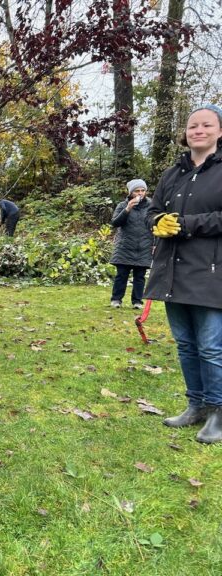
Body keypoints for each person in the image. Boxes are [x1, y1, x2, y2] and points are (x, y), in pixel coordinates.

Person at [145, 104, 222, 444]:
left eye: (207, 125)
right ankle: (196, 405)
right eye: (193, 126)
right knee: (186, 345)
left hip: (210, 270)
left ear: (219, 131)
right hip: (171, 270)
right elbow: (154, 210)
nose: (199, 131)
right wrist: (156, 222)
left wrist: (188, 224)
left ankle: (218, 410)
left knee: (210, 347)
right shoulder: (172, 173)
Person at [109, 179, 153, 309]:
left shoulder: (152, 206)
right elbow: (115, 223)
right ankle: (116, 300)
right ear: (130, 192)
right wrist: (128, 208)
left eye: (143, 190)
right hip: (125, 246)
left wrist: (155, 243)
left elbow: (155, 225)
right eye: (137, 191)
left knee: (140, 276)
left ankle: (137, 302)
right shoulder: (123, 205)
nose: (140, 193)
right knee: (121, 275)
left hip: (144, 246)